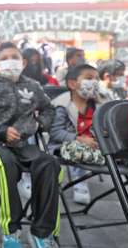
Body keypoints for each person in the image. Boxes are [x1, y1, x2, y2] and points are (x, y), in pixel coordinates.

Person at [0, 42, 59, 248]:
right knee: (6, 165)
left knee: (49, 163)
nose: (9, 62)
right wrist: (0, 130)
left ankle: (42, 232)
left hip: (22, 144)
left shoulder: (32, 86)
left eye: (14, 57)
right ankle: (11, 231)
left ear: (22, 62)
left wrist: (38, 124)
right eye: (4, 58)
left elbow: (49, 109)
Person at [49, 64, 104, 205]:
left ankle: (109, 158)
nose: (95, 82)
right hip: (64, 146)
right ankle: (80, 180)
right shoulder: (62, 105)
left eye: (97, 79)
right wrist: (78, 139)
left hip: (94, 145)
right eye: (89, 78)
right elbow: (55, 132)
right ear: (72, 84)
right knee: (79, 150)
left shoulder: (99, 104)